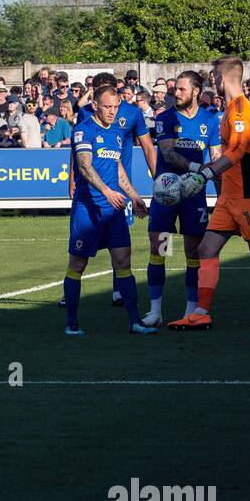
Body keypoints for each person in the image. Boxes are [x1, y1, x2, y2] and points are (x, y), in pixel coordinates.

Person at [168, 56, 250, 331]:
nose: (212, 81)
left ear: (223, 79)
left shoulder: (241, 112)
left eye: (214, 77)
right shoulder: (230, 110)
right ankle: (201, 312)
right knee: (207, 248)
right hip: (230, 194)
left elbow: (235, 152)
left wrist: (206, 173)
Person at [62, 85, 155, 336]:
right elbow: (84, 166)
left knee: (124, 261)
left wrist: (134, 196)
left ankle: (135, 321)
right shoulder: (83, 130)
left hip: (114, 210)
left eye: (115, 107)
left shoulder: (116, 132)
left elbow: (117, 169)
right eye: (107, 107)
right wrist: (106, 191)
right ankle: (71, 323)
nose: (112, 112)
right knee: (78, 264)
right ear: (95, 106)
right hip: (88, 208)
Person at [141, 71, 221, 328]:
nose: (177, 93)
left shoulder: (209, 120)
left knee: (192, 251)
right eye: (176, 89)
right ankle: (155, 310)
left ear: (196, 91)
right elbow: (168, 152)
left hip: (194, 195)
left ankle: (189, 310)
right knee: (161, 248)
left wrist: (221, 195)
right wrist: (199, 169)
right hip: (167, 195)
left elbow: (217, 158)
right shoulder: (165, 117)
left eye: (182, 89)